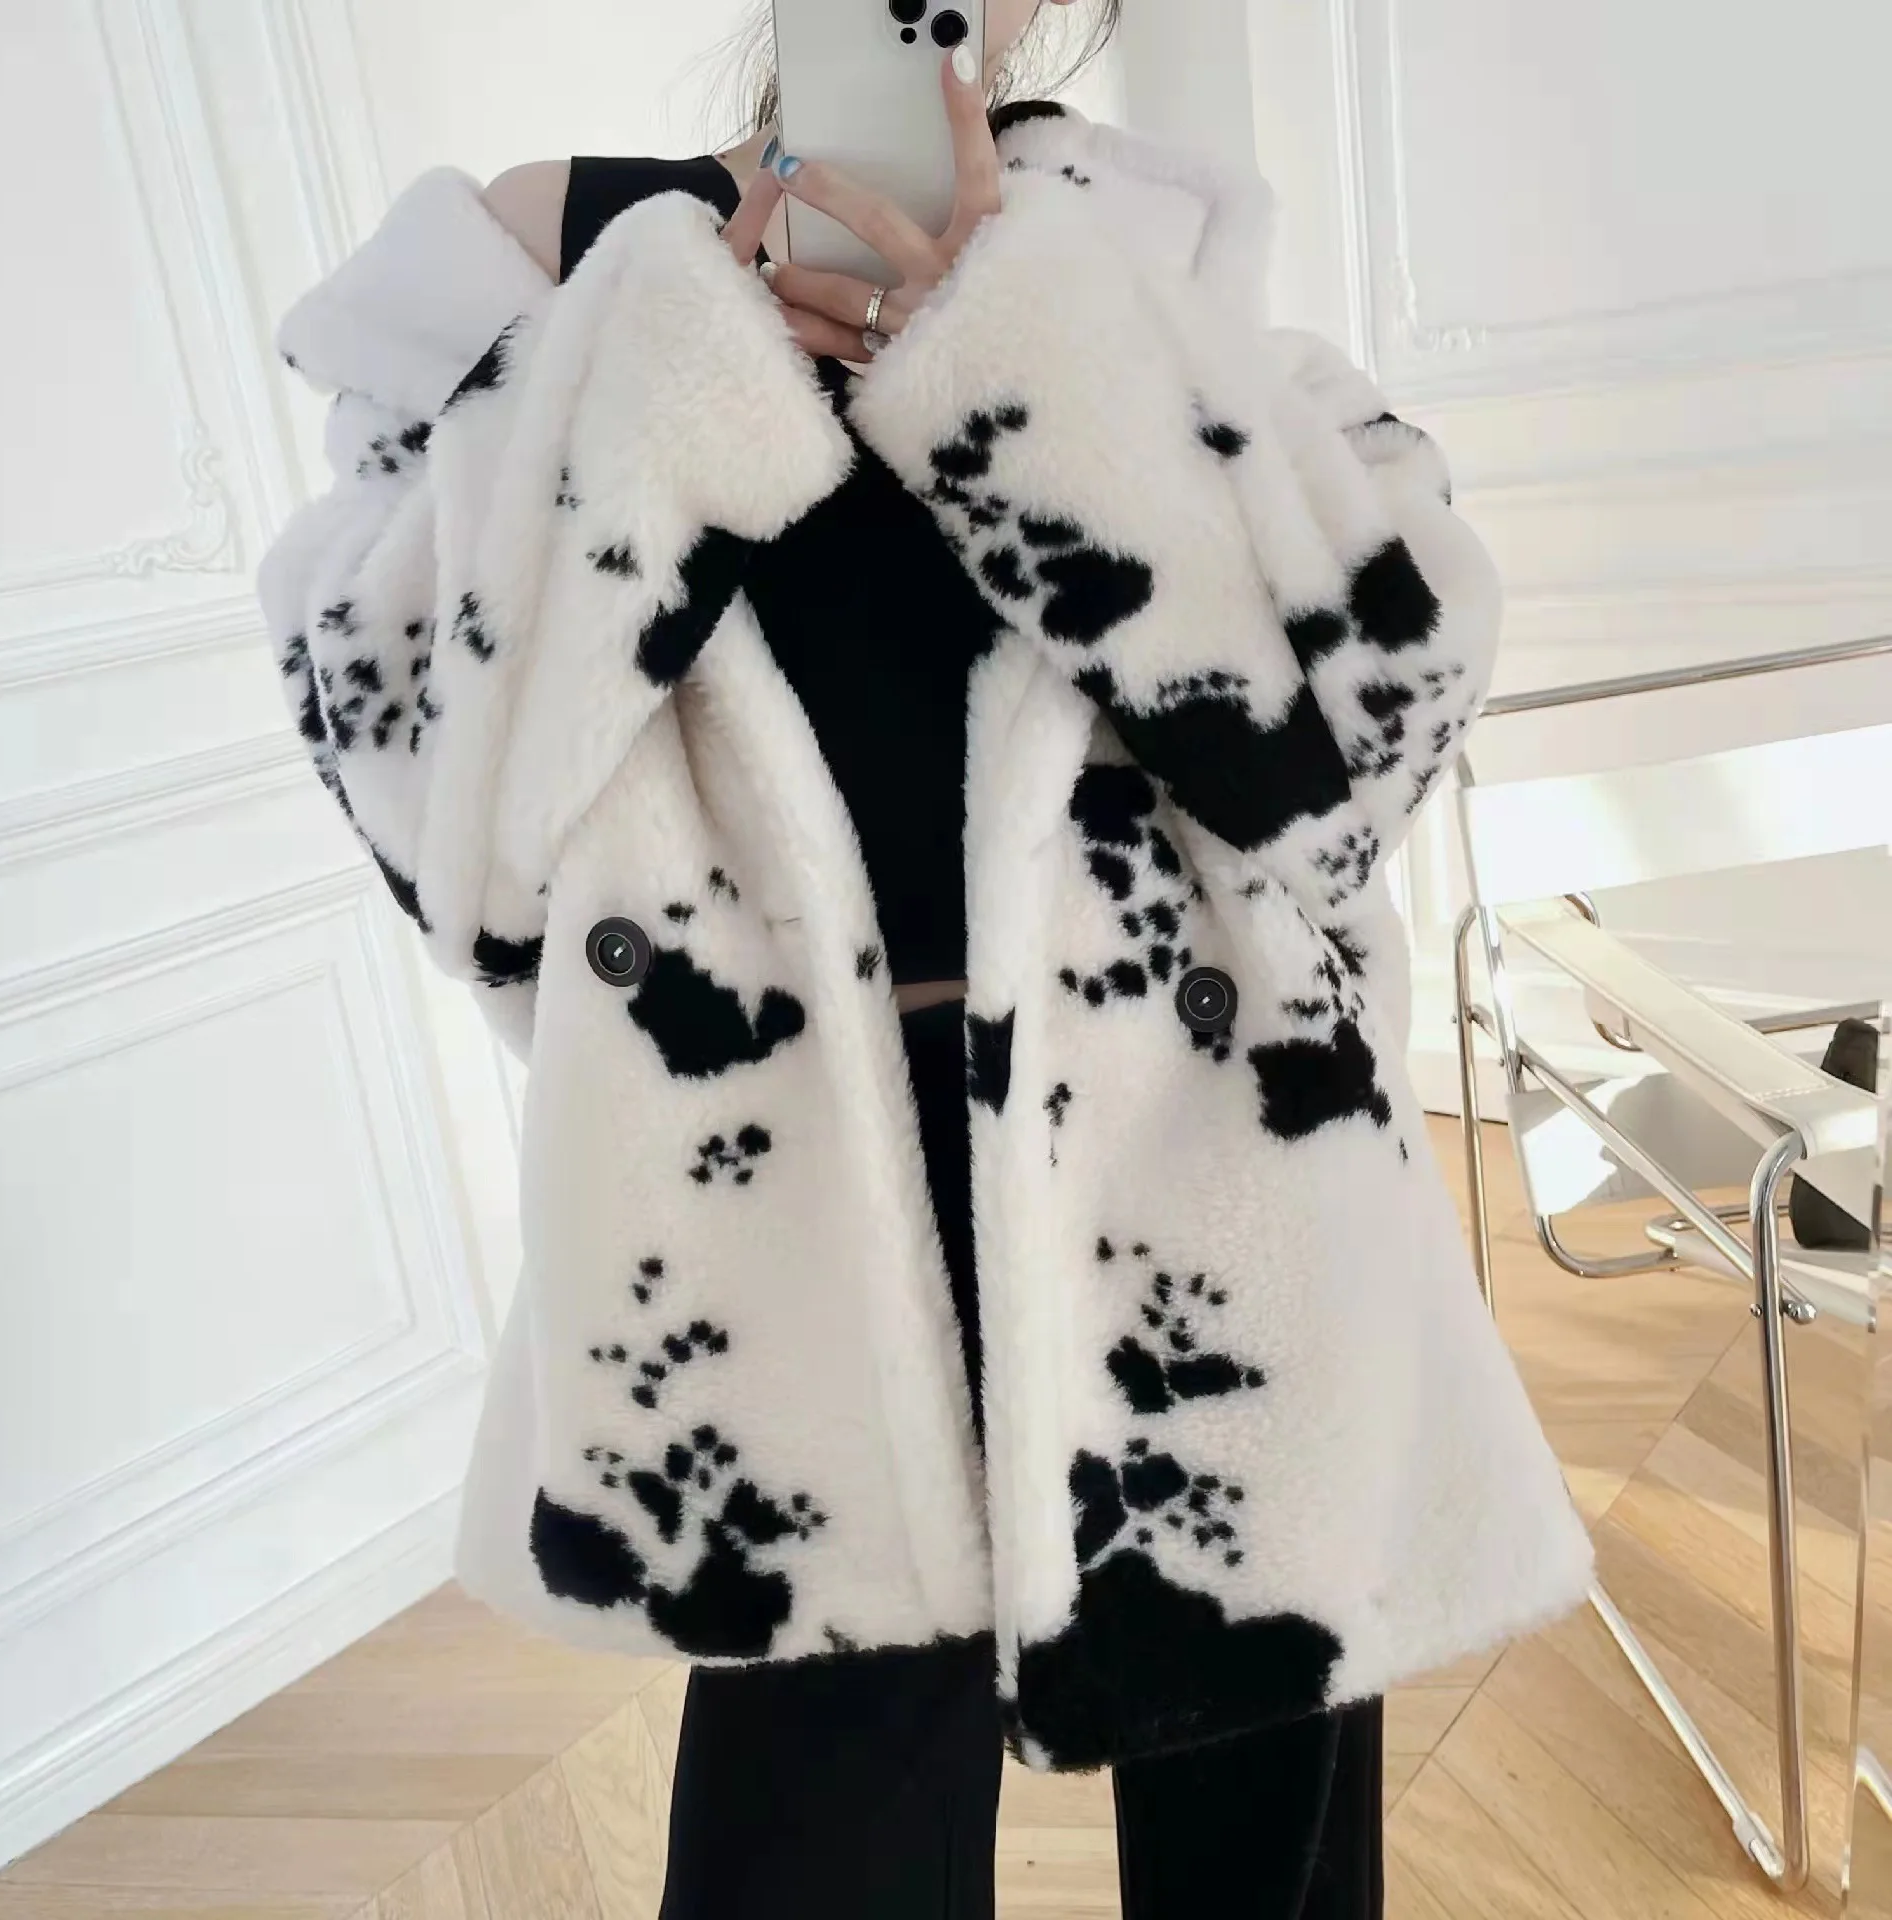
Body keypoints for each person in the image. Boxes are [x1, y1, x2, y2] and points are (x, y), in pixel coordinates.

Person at [258, 2, 1593, 1913]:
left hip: (1204, 1187)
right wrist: (661, 396)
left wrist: (1032, 367)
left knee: (1264, 1862)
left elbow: (1349, 763)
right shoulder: (546, 261)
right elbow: (448, 842)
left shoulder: (1148, 253)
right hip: (786, 1228)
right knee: (812, 1857)